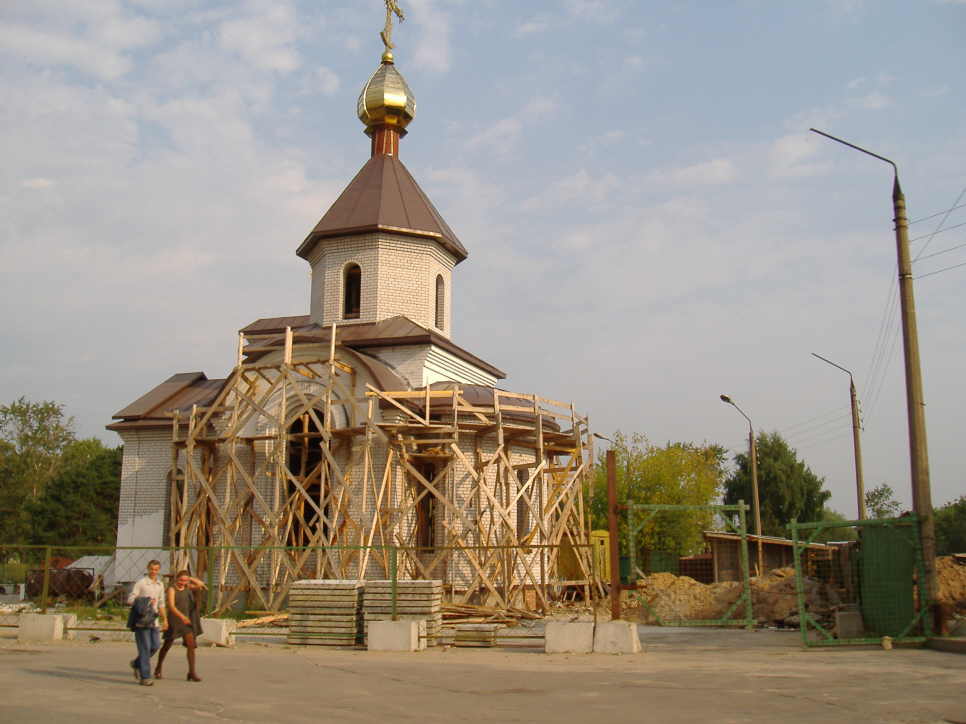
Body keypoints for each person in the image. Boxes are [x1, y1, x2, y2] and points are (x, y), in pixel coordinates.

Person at [155, 570, 206, 682]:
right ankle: (158, 667)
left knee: (191, 645)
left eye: (185, 580)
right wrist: (182, 617)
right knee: (167, 645)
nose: (182, 582)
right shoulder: (172, 589)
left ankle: (191, 672)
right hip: (175, 620)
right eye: (181, 580)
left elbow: (200, 584)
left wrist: (189, 578)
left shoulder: (188, 587)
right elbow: (172, 607)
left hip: (186, 621)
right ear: (176, 579)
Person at [127, 560, 167, 686]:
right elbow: (131, 599)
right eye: (151, 569)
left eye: (156, 569)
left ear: (159, 570)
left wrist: (164, 619)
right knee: (145, 648)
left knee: (155, 646)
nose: (153, 571)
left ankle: (137, 663)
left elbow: (161, 603)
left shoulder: (160, 584)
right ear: (148, 568)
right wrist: (145, 601)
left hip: (154, 620)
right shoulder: (141, 583)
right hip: (142, 620)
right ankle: (145, 677)